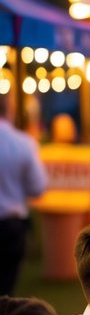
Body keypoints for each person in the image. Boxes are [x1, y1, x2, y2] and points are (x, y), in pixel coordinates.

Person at [0, 90, 47, 295]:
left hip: (11, 225)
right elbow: (38, 187)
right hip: (11, 225)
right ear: (10, 110)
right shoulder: (23, 143)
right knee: (6, 289)